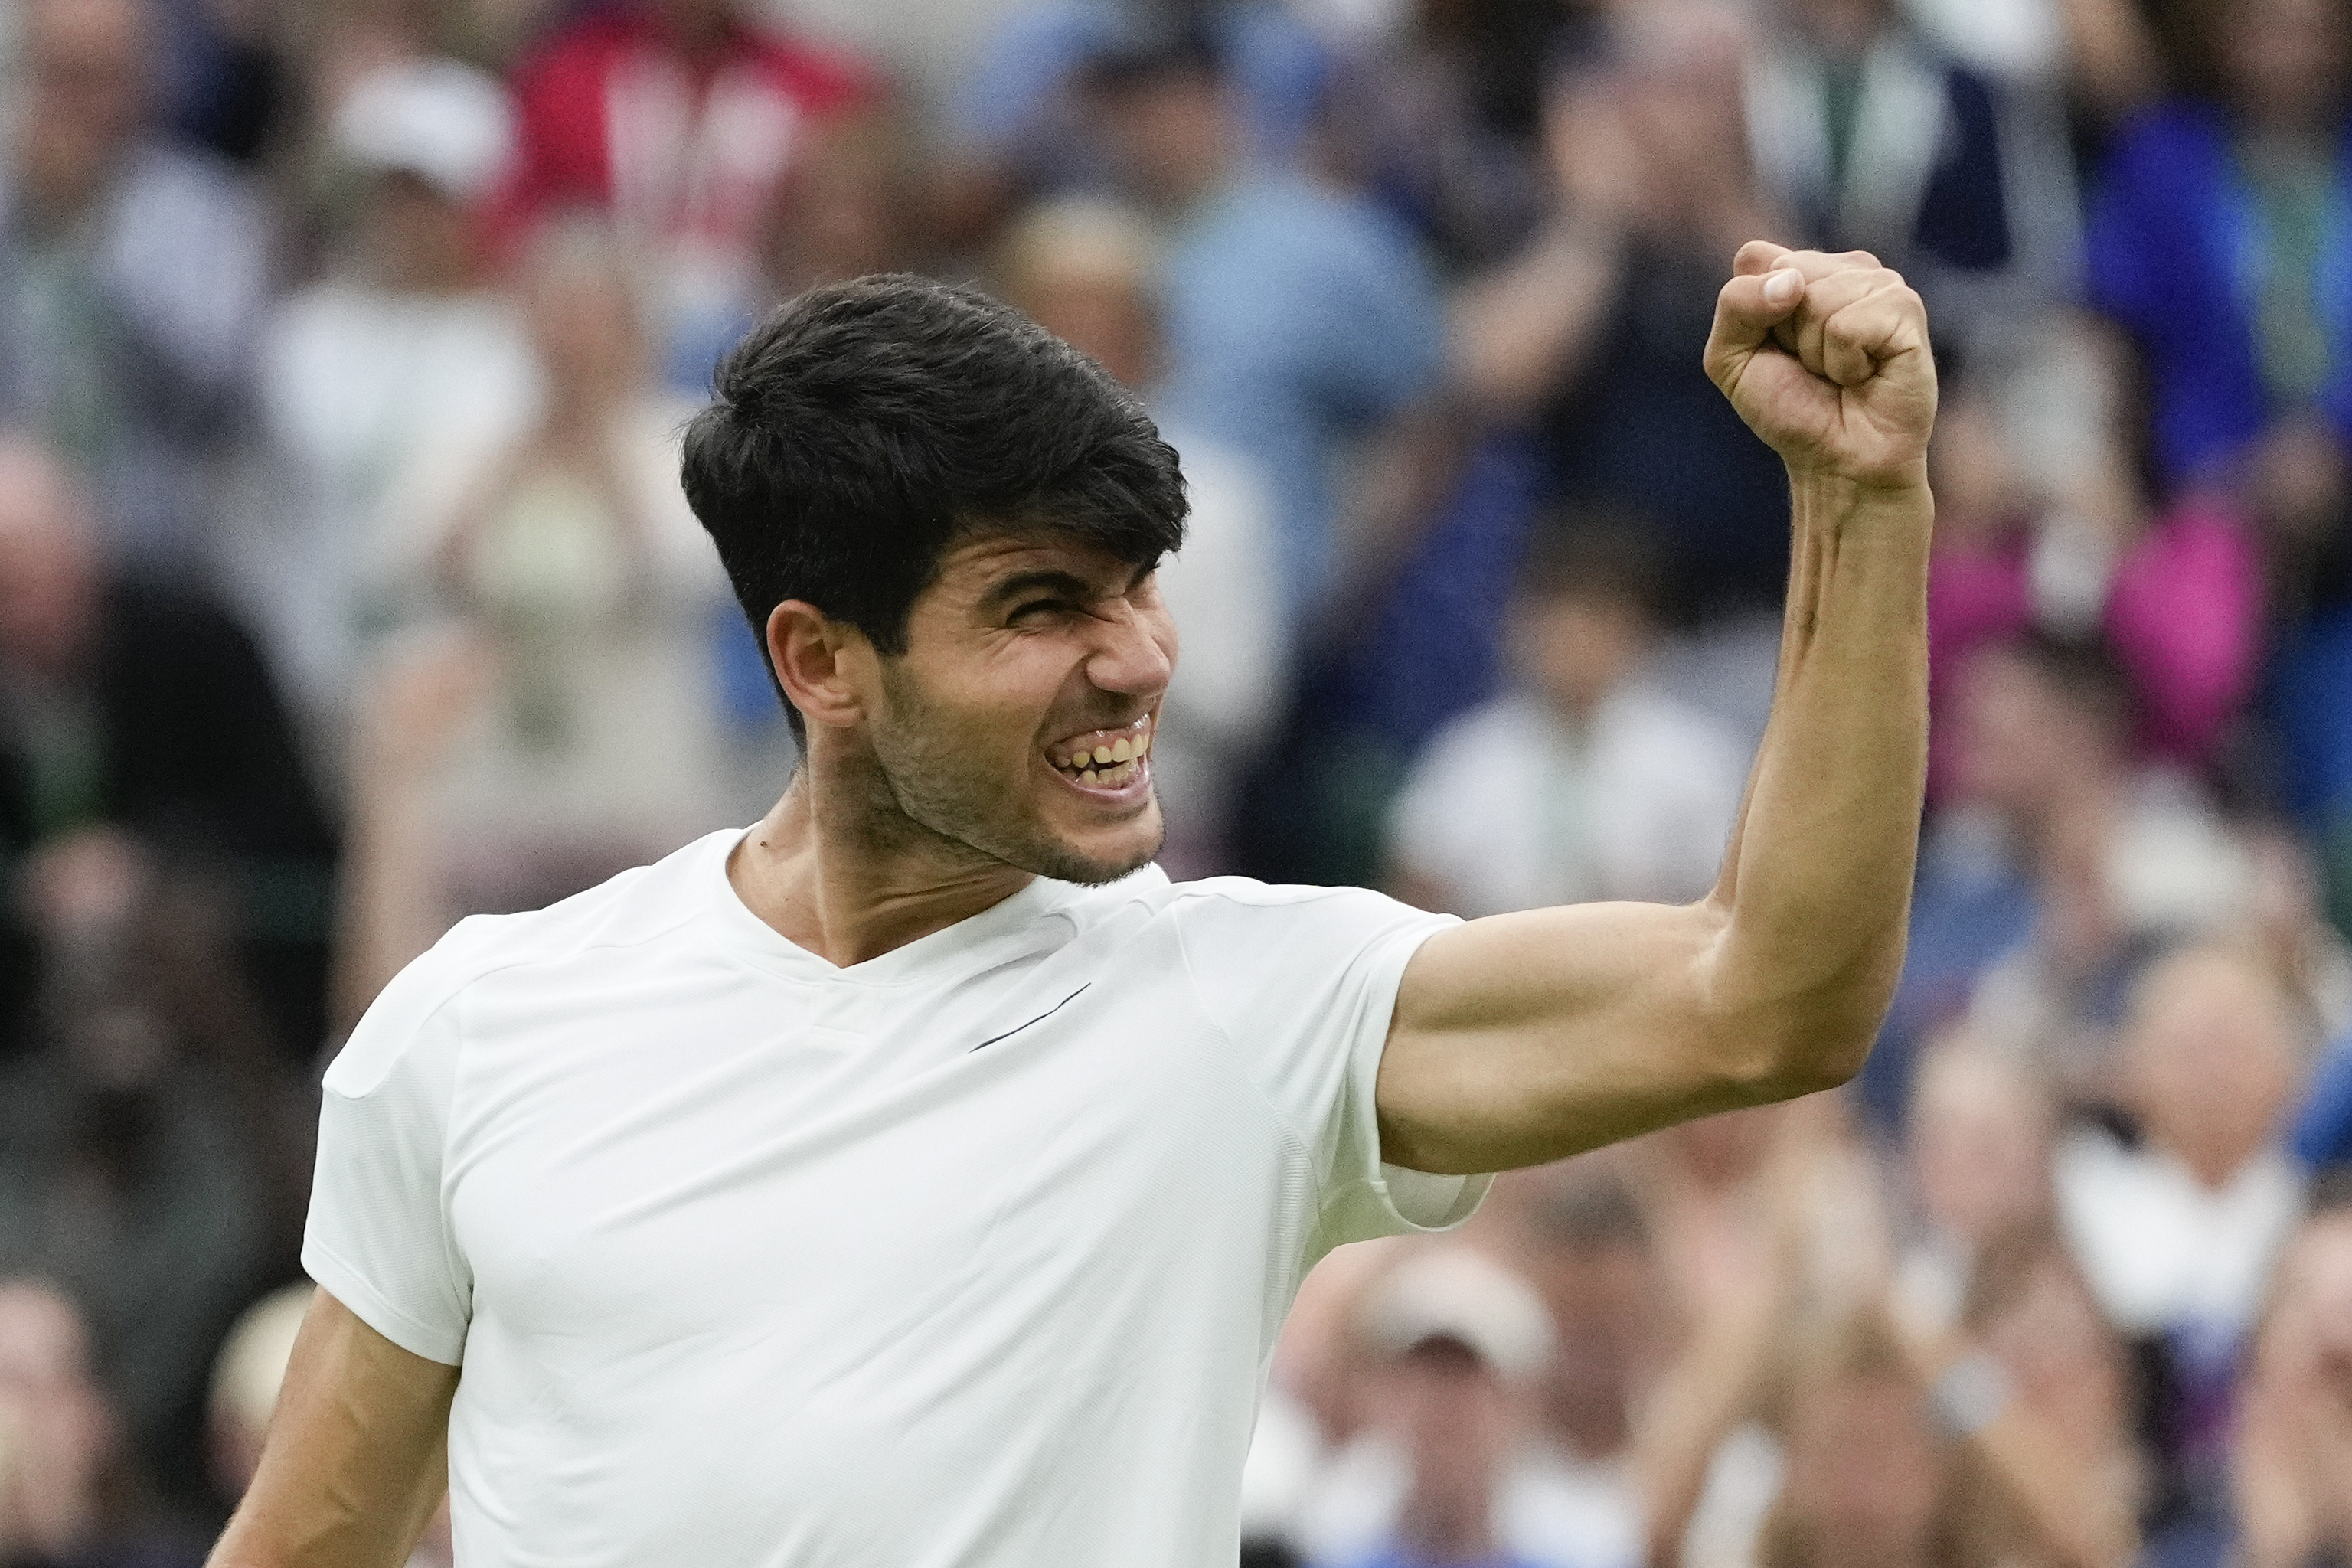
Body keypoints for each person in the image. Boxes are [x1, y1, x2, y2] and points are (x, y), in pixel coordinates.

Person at [211, 247, 1938, 1566]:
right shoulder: (482, 1021)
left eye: (1140, 588)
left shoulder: (1261, 1006)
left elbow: (1770, 991)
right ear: (821, 659)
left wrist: (1862, 506)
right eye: (1041, 605)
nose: (1136, 660)